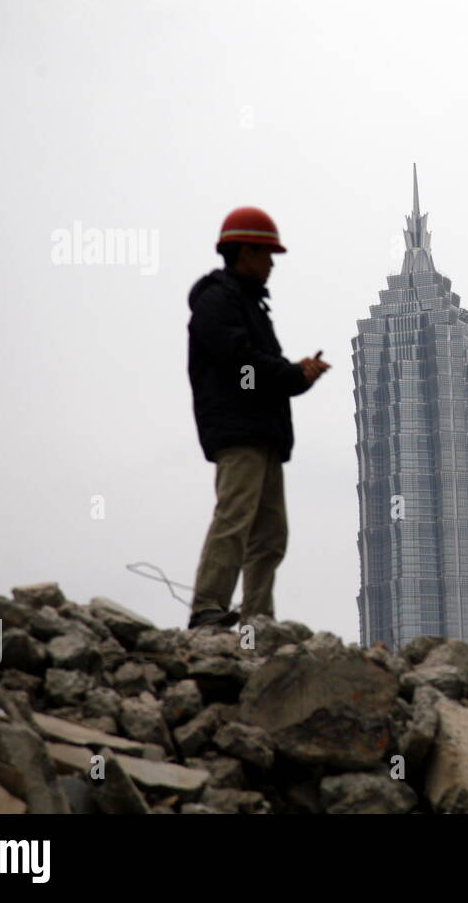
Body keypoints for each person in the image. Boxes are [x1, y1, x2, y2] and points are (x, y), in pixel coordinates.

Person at [184, 206, 330, 629]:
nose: (271, 265)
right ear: (244, 252)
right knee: (235, 518)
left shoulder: (247, 305)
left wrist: (297, 375)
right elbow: (243, 365)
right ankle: (208, 606)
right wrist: (287, 373)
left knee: (269, 534)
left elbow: (258, 369)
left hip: (262, 433)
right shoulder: (217, 302)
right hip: (239, 432)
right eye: (267, 255)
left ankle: (257, 620)